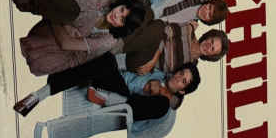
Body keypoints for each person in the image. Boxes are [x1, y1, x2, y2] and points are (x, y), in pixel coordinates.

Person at [3, 0, 145, 76]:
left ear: (123, 27)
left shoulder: (109, 40)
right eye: (121, 10)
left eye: (122, 20)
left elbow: (66, 44)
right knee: (72, 5)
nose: (116, 15)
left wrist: (57, 15)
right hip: (56, 30)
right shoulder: (104, 5)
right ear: (120, 4)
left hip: (53, 53)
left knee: (70, 10)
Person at [12, 51, 200, 118]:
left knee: (104, 63)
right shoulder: (158, 71)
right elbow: (129, 64)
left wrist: (152, 91)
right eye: (181, 73)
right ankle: (39, 95)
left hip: (122, 97)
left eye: (183, 81)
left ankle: (41, 94)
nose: (178, 77)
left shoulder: (164, 103)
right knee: (106, 61)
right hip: (113, 79)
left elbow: (137, 109)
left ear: (182, 91)